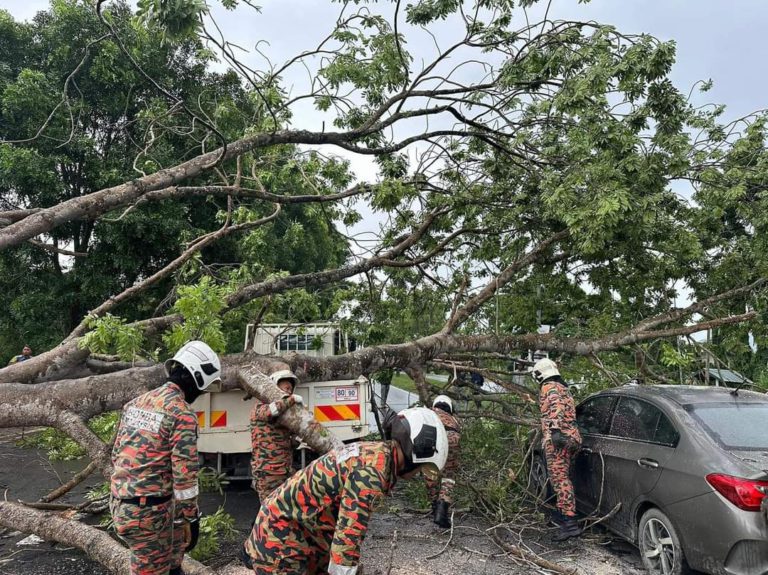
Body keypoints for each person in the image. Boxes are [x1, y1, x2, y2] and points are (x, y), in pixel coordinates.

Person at [241, 406, 449, 575]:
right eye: (422, 469)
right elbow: (347, 540)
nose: (418, 475)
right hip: (281, 544)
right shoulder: (371, 474)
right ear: (415, 453)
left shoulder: (376, 455)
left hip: (300, 538)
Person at [110, 340, 221, 575]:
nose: (200, 394)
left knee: (172, 564)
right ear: (197, 378)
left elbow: (116, 454)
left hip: (124, 505)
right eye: (202, 389)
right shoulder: (182, 414)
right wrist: (192, 519)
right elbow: (185, 478)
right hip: (149, 515)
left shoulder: (136, 403)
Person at [532, 358, 582, 541]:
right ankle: (565, 517)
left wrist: (554, 431)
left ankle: (569, 524)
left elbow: (555, 406)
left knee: (560, 480)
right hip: (570, 437)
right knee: (564, 479)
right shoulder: (563, 387)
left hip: (559, 439)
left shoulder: (549, 387)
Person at [249, 369, 304, 502]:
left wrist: (299, 439)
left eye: (291, 389)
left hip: (284, 472)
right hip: (268, 474)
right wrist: (292, 400)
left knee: (284, 512)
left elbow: (289, 443)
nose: (289, 392)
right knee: (269, 513)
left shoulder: (285, 418)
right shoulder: (259, 409)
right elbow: (272, 410)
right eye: (286, 389)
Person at [427, 395, 461, 528]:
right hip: (452, 437)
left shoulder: (429, 413)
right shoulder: (454, 418)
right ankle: (442, 512)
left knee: (430, 471)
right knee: (449, 476)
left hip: (431, 436)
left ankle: (435, 508)